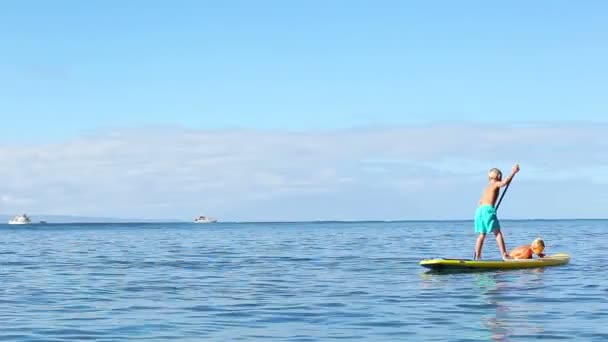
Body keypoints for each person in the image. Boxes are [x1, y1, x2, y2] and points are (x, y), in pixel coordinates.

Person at [473, 163, 520, 260]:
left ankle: (477, 256)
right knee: (497, 232)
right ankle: (504, 254)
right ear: (498, 176)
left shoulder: (487, 187)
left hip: (480, 210)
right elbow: (504, 183)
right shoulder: (496, 183)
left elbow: (481, 201)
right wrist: (513, 172)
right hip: (488, 210)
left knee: (482, 234)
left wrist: (513, 175)